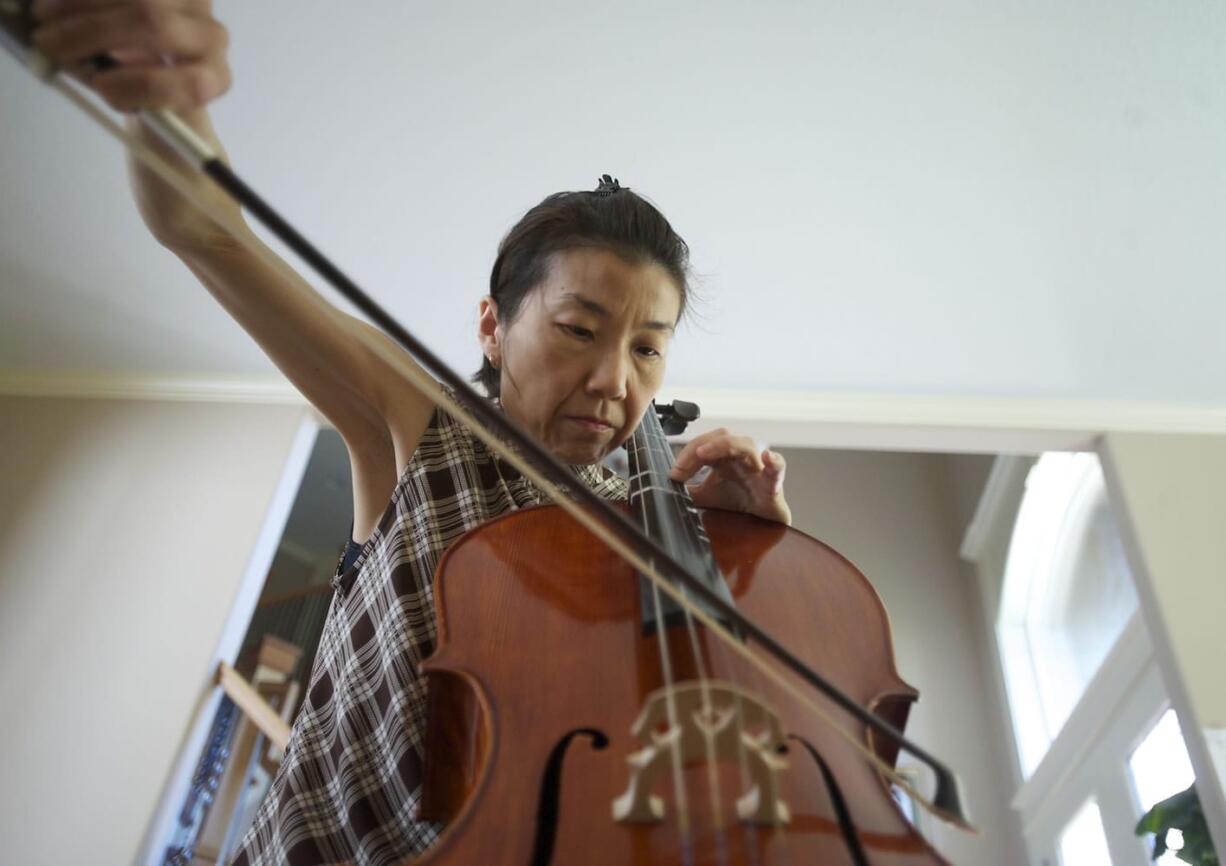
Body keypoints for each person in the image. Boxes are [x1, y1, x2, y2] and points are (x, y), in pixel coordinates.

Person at [31, 2, 793, 863]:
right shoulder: (424, 426)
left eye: (649, 349)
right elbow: (206, 230)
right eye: (580, 329)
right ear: (493, 329)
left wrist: (749, 555)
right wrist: (163, 87)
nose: (618, 380)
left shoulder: (660, 534)